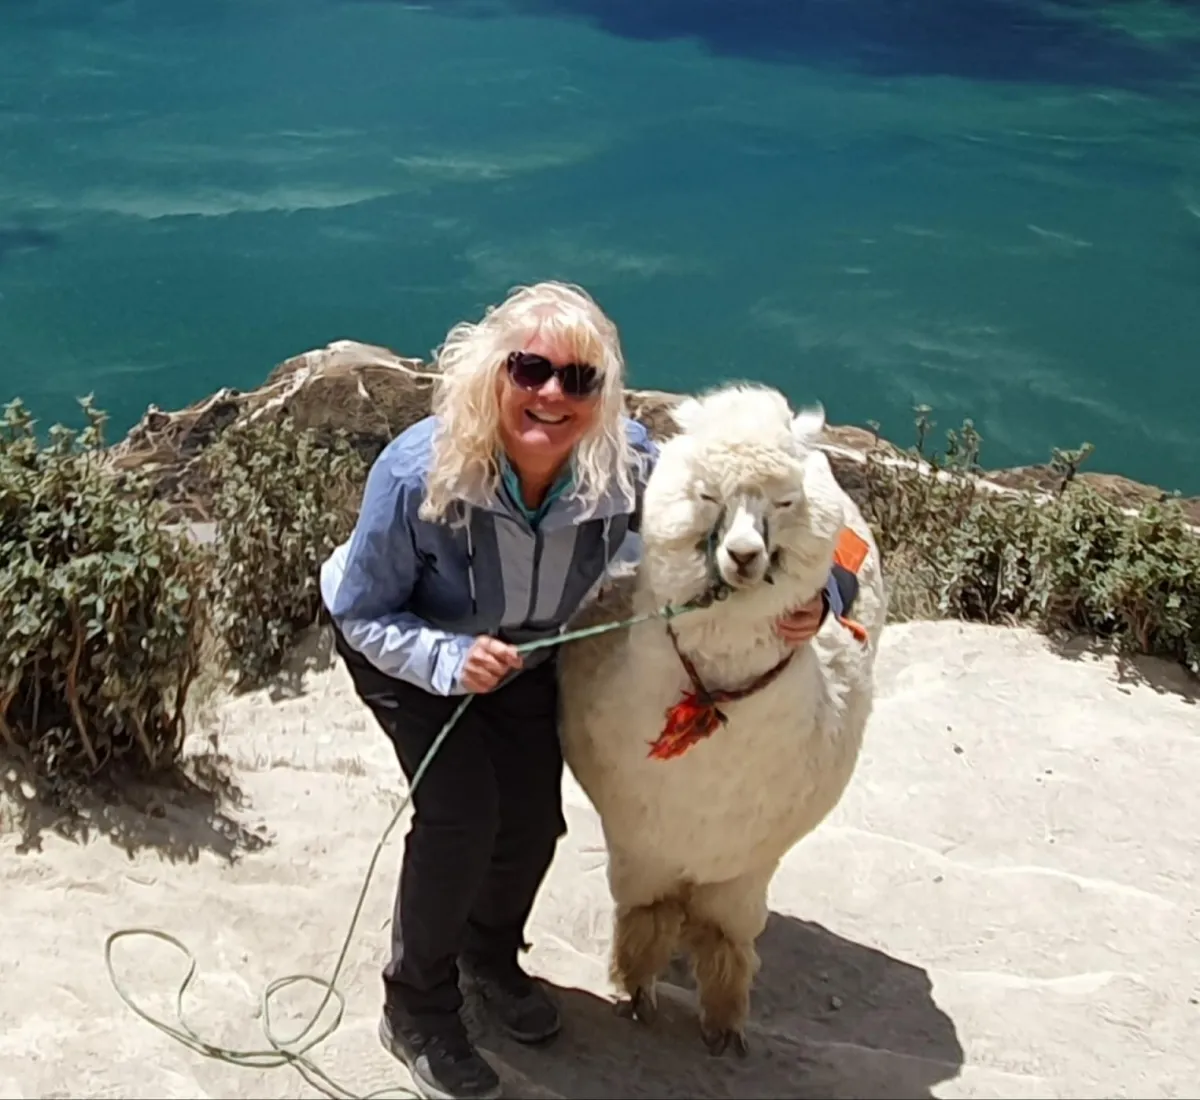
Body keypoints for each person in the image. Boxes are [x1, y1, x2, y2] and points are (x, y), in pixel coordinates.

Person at [319, 281, 830, 1100]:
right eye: (531, 369)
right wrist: (449, 662)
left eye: (579, 380)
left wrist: (820, 597)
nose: (552, 394)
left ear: (602, 395)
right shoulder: (418, 474)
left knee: (531, 824)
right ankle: (416, 1004)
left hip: (526, 655)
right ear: (494, 373)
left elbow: (758, 517)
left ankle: (488, 956)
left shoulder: (625, 467)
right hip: (409, 656)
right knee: (461, 818)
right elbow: (359, 609)